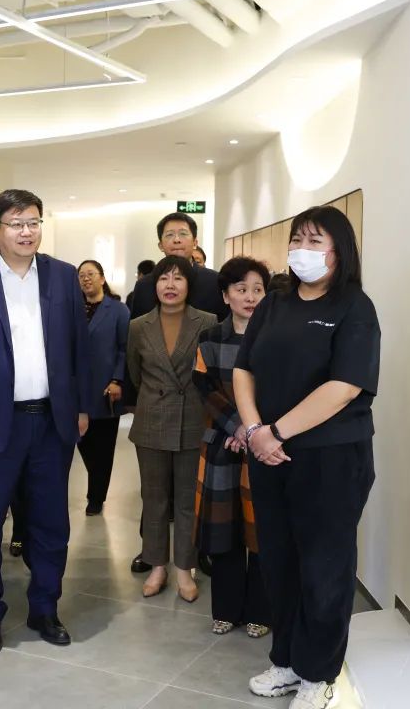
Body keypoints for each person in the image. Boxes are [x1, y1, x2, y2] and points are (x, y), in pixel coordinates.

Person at [234, 206, 379, 709]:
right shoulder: (274, 304)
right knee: (279, 562)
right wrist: (255, 430)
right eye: (297, 239)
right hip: (268, 454)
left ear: (340, 252)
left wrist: (275, 432)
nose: (302, 249)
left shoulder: (354, 307)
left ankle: (320, 673)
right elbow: (244, 369)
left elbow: (344, 386)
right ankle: (288, 661)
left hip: (330, 458)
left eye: (315, 241)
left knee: (324, 568)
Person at [0, 189, 91, 656]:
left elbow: (79, 349)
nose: (26, 231)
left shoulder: (63, 276)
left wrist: (81, 407)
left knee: (50, 522)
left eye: (33, 222)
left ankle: (45, 608)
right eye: (16, 223)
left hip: (51, 422)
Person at [127, 212, 227, 573]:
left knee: (191, 493)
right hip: (155, 409)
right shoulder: (144, 291)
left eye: (183, 233)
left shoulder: (214, 284)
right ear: (160, 244)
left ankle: (194, 556)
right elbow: (136, 363)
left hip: (196, 407)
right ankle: (153, 556)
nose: (176, 240)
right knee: (154, 495)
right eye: (169, 235)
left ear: (195, 240)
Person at [192, 256, 272, 638]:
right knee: (224, 532)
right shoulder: (210, 339)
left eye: (257, 289)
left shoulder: (274, 338)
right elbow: (204, 387)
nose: (250, 297)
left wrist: (253, 430)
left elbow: (279, 389)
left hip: (264, 444)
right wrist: (236, 426)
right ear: (225, 296)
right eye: (241, 289)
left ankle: (260, 611)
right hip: (223, 444)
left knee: (261, 532)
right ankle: (225, 609)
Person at [76, 260, 130, 516]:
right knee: (82, 441)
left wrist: (117, 379)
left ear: (102, 278)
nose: (86, 279)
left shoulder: (118, 310)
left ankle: (96, 497)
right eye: (81, 275)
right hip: (78, 390)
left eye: (91, 274)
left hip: (106, 388)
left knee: (103, 448)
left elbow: (125, 348)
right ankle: (96, 482)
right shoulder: (72, 309)